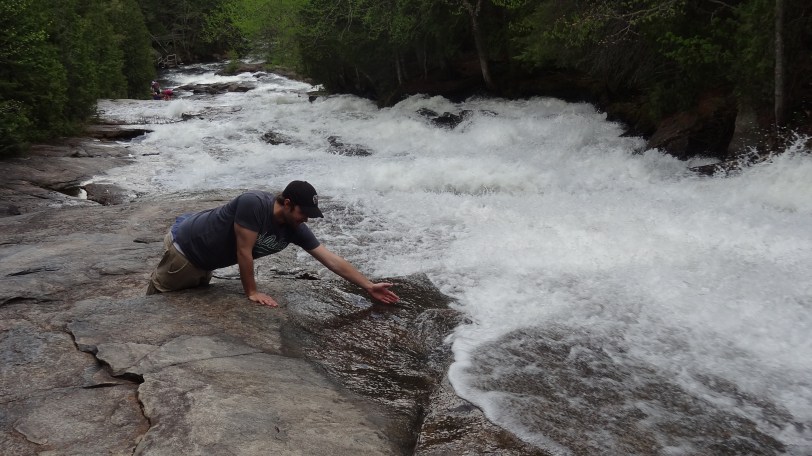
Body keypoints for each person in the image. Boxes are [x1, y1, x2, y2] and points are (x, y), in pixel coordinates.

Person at [146, 180, 400, 307]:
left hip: (208, 261)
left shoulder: (294, 228)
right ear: (287, 203)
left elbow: (331, 259)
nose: (306, 219)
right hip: (186, 251)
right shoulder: (254, 204)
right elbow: (243, 251)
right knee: (157, 303)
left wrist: (368, 286)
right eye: (303, 212)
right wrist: (252, 292)